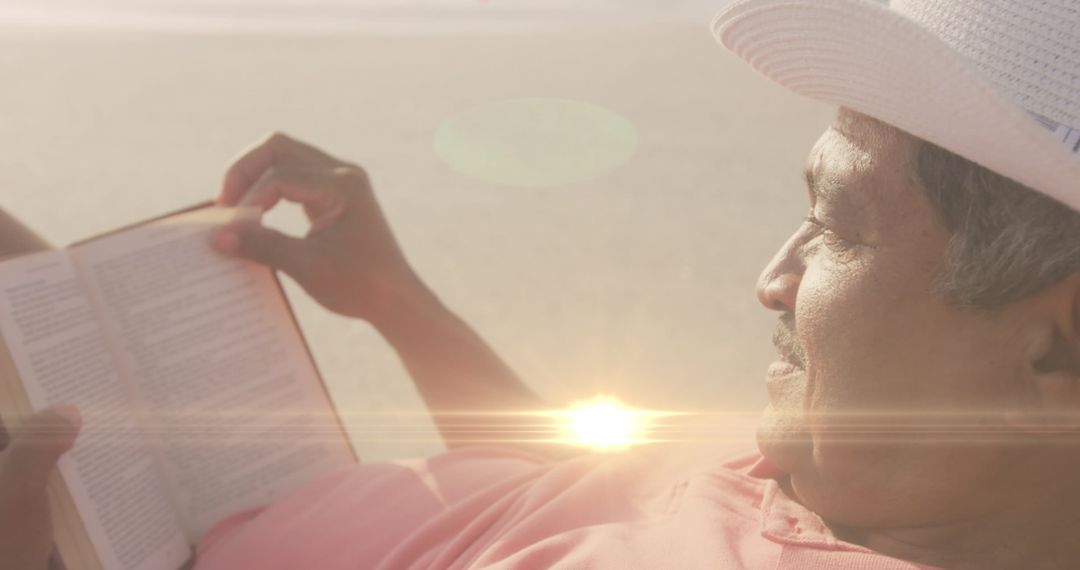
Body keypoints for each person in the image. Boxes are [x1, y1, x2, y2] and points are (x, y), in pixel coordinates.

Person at [3, 0, 1080, 568]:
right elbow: (571, 486)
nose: (771, 280)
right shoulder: (865, 463)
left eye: (837, 227)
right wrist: (399, 305)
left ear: (1055, 345)